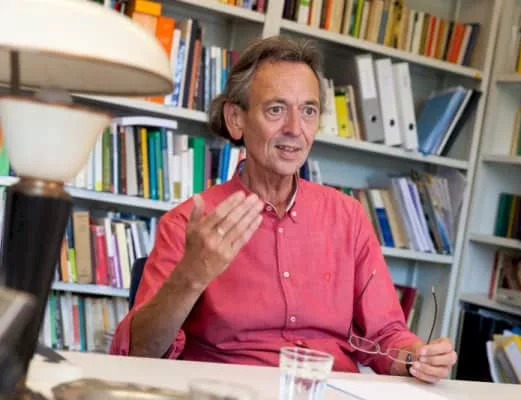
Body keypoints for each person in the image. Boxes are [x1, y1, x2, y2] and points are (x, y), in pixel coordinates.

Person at [109, 36, 457, 383]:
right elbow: (140, 353)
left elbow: (384, 336)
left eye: (308, 111)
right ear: (236, 119)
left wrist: (418, 358)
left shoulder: (348, 216)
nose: (294, 129)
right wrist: (190, 277)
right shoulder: (189, 222)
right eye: (276, 110)